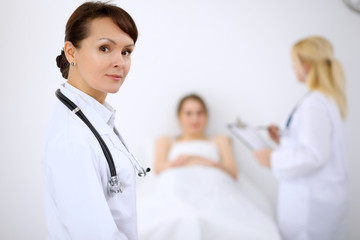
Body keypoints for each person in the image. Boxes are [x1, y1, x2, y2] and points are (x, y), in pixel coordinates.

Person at [42, 2, 143, 239]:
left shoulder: (95, 118)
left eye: (126, 51)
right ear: (71, 52)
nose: (120, 62)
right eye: (105, 48)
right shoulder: (72, 139)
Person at [137, 94, 281, 240]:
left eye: (200, 113)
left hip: (213, 188)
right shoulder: (166, 140)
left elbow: (232, 172)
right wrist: (180, 162)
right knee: (179, 212)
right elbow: (158, 168)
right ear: (179, 117)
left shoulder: (219, 140)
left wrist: (204, 161)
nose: (194, 119)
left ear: (206, 116)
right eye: (189, 113)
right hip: (176, 185)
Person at [253, 36, 348, 240]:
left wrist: (272, 158)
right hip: (317, 201)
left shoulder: (315, 104)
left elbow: (314, 155)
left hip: (311, 208)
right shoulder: (323, 99)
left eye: (294, 63)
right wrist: (283, 138)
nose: (292, 68)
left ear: (305, 66)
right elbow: (315, 144)